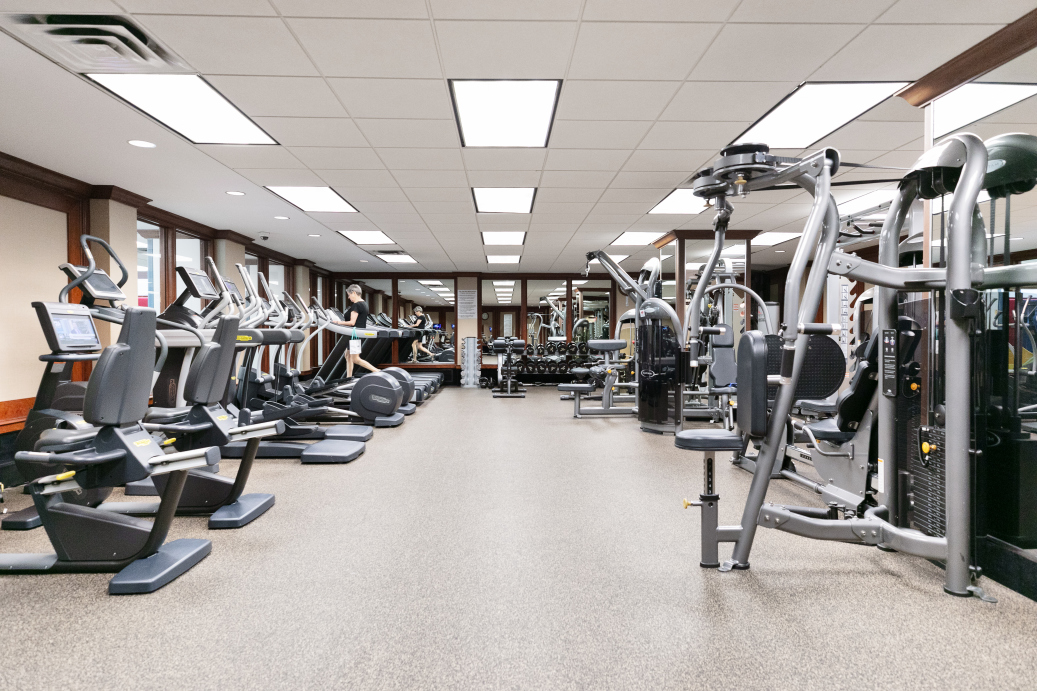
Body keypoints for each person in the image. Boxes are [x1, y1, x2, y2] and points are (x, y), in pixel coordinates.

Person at [334, 284, 378, 378]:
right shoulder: (364, 304)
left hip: (355, 335)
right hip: (357, 333)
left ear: (354, 292)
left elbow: (352, 322)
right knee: (347, 355)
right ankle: (348, 378)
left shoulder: (356, 305)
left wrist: (337, 322)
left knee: (355, 359)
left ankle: (378, 371)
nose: (349, 298)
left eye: (349, 295)